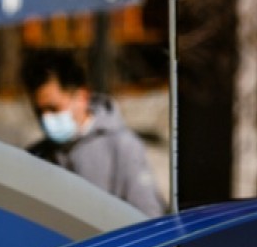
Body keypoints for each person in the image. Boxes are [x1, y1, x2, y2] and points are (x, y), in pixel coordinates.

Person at [21, 49, 166, 217]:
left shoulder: (122, 148)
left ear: (82, 97)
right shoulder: (36, 156)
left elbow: (148, 216)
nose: (46, 118)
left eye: (54, 108)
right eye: (39, 111)